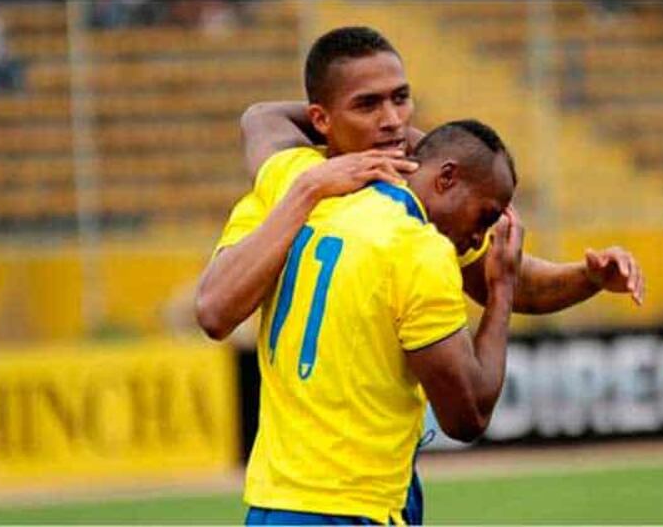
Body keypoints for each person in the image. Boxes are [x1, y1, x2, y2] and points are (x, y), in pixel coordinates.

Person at [198, 116, 522, 524]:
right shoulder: (417, 246)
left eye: (401, 101)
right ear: (446, 178)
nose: (480, 238)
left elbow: (259, 120)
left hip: (274, 503)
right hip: (353, 504)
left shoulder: (292, 193)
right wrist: (503, 288)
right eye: (484, 218)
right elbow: (467, 416)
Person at [239, 29, 645, 313]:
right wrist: (410, 138)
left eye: (401, 99)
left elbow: (505, 282)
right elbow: (260, 115)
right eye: (367, 105)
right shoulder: (300, 177)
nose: (392, 119)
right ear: (319, 118)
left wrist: (588, 277)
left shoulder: (420, 193)